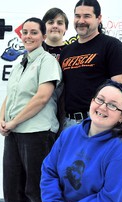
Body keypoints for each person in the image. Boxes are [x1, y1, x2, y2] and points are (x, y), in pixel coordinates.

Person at [40, 79, 122, 202]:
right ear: (91, 101)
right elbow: (49, 170)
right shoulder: (69, 134)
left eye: (112, 105)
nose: (102, 107)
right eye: (100, 100)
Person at [0, 17, 62, 202]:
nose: (28, 36)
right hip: (14, 133)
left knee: (36, 190)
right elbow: (11, 95)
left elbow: (42, 97)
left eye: (34, 32)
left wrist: (14, 122)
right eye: (25, 32)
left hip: (37, 133)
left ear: (43, 36)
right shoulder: (19, 64)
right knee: (12, 191)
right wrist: (2, 119)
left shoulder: (48, 61)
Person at [59, 0, 122, 128]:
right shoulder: (66, 51)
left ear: (99, 18)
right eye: (77, 16)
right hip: (69, 123)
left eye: (87, 16)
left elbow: (121, 90)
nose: (81, 20)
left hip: (99, 120)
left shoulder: (112, 46)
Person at [42, 8, 69, 136]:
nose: (55, 26)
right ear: (44, 27)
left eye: (60, 23)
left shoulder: (72, 52)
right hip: (40, 108)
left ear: (66, 28)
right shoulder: (35, 51)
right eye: (50, 22)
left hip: (65, 105)